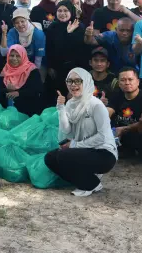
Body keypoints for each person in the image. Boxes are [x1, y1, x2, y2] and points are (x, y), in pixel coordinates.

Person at [45, 68, 118, 196]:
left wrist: (73, 145)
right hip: (83, 151)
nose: (73, 85)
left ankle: (90, 184)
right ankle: (90, 180)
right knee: (50, 158)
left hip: (104, 153)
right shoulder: (70, 104)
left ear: (87, 82)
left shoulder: (96, 105)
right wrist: (61, 108)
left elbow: (102, 136)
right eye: (70, 81)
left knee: (64, 156)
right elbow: (66, 129)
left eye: (78, 81)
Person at [43, 1, 88, 99]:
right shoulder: (53, 27)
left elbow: (78, 50)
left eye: (65, 10)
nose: (62, 13)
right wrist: (50, 66)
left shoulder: (79, 26)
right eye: (59, 10)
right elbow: (49, 48)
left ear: (71, 12)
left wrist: (69, 33)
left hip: (74, 69)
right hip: (56, 69)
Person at [107, 67, 142, 157]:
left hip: (139, 135)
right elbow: (109, 111)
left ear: (138, 81)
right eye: (123, 80)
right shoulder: (116, 95)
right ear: (119, 83)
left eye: (130, 79)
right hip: (118, 136)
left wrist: (124, 129)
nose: (127, 83)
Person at [0, 44, 44, 116]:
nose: (14, 58)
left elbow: (37, 89)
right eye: (12, 55)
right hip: (9, 113)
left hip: (29, 112)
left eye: (18, 56)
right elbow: (0, 90)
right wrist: (8, 90)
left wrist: (18, 93)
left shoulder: (32, 70)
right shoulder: (5, 70)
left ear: (23, 56)